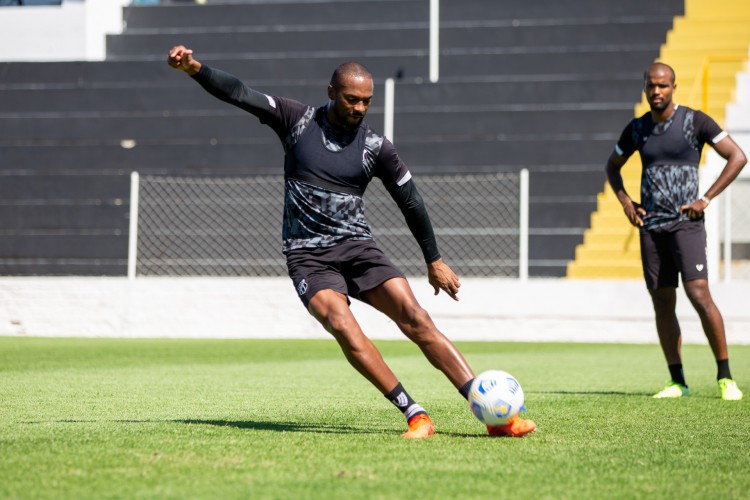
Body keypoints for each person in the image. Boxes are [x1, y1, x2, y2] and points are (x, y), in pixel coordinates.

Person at [167, 45, 537, 437]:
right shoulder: (296, 120)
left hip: (359, 249)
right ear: (331, 91)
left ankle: (495, 417)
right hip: (308, 257)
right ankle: (415, 414)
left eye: (367, 102)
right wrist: (194, 68)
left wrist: (434, 259)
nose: (360, 108)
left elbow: (411, 201)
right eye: (352, 99)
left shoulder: (377, 147)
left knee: (416, 318)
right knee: (342, 323)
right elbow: (241, 93)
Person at [605, 62, 746, 400]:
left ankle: (725, 377)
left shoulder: (695, 122)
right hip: (651, 227)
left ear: (674, 87)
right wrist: (626, 202)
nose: (657, 91)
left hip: (687, 224)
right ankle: (677, 381)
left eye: (663, 85)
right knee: (662, 302)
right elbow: (612, 166)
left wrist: (705, 199)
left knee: (699, 295)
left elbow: (737, 156)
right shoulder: (637, 129)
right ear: (645, 88)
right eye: (651, 86)